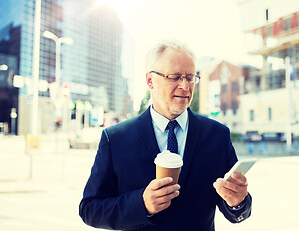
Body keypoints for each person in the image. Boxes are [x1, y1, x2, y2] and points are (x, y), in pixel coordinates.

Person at [79, 40, 252, 231]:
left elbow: (237, 210)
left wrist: (237, 201)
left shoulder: (217, 135)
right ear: (150, 81)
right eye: (175, 77)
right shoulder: (116, 139)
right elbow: (90, 209)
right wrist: (141, 204)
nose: (185, 86)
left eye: (190, 77)